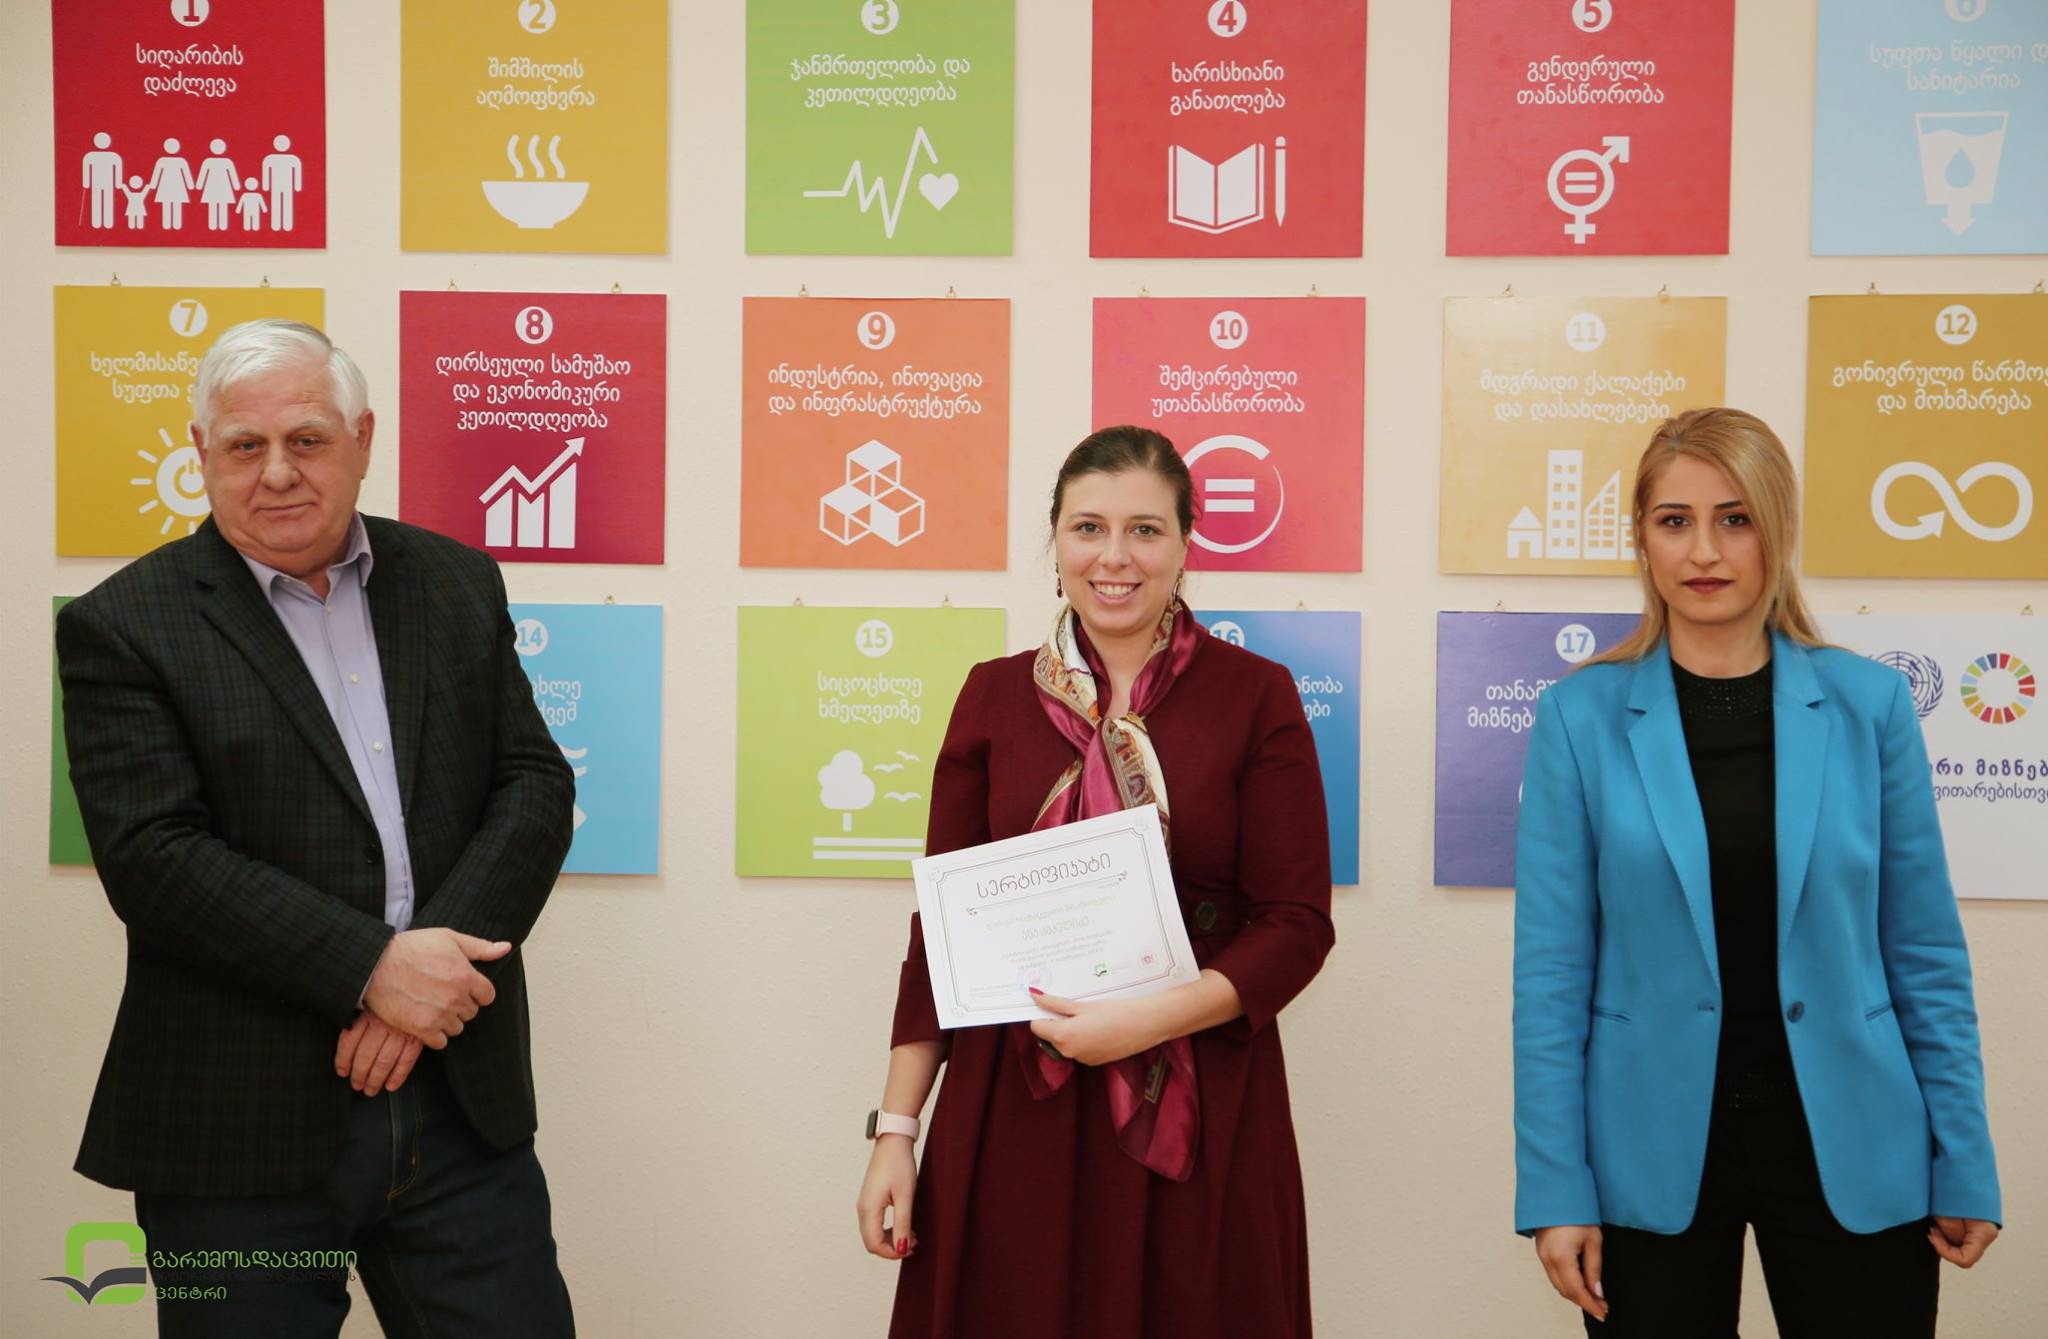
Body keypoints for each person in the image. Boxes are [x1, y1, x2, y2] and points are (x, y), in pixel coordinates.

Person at [58, 319, 578, 1338]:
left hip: (455, 1107)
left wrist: (423, 986)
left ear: (362, 439)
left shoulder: (455, 580)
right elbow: (155, 860)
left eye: (307, 439)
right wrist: (374, 968)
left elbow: (532, 783)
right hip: (235, 1136)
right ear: (201, 452)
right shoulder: (124, 624)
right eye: (245, 446)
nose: (277, 472)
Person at [1512, 408, 2000, 1337]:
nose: (1704, 550)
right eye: (1675, 520)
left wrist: (1963, 1159)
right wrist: (1555, 1186)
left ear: (1777, 528)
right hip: (1648, 1155)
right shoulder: (1579, 716)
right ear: (1641, 538)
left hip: (1855, 1141)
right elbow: (1551, 977)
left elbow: (1925, 953)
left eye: (1734, 518)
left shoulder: (1869, 703)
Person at [858, 426, 1336, 1338]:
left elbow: (1296, 924)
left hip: (1198, 1099)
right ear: (1056, 542)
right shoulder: (990, 696)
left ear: (1186, 544)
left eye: (1145, 530)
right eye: (1088, 528)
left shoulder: (1255, 694)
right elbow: (941, 933)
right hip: (1013, 1102)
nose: (1114, 557)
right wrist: (896, 1130)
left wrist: (1146, 1020)